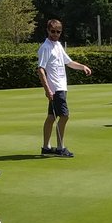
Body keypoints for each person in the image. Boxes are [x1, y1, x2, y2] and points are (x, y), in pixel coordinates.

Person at [38, 19, 93, 158]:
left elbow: (68, 62)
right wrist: (47, 90)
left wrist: (82, 67)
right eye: (53, 31)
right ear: (48, 30)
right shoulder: (45, 47)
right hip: (56, 88)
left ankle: (46, 147)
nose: (55, 34)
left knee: (51, 117)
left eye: (58, 32)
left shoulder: (57, 45)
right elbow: (40, 69)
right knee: (64, 116)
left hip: (61, 87)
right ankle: (60, 147)